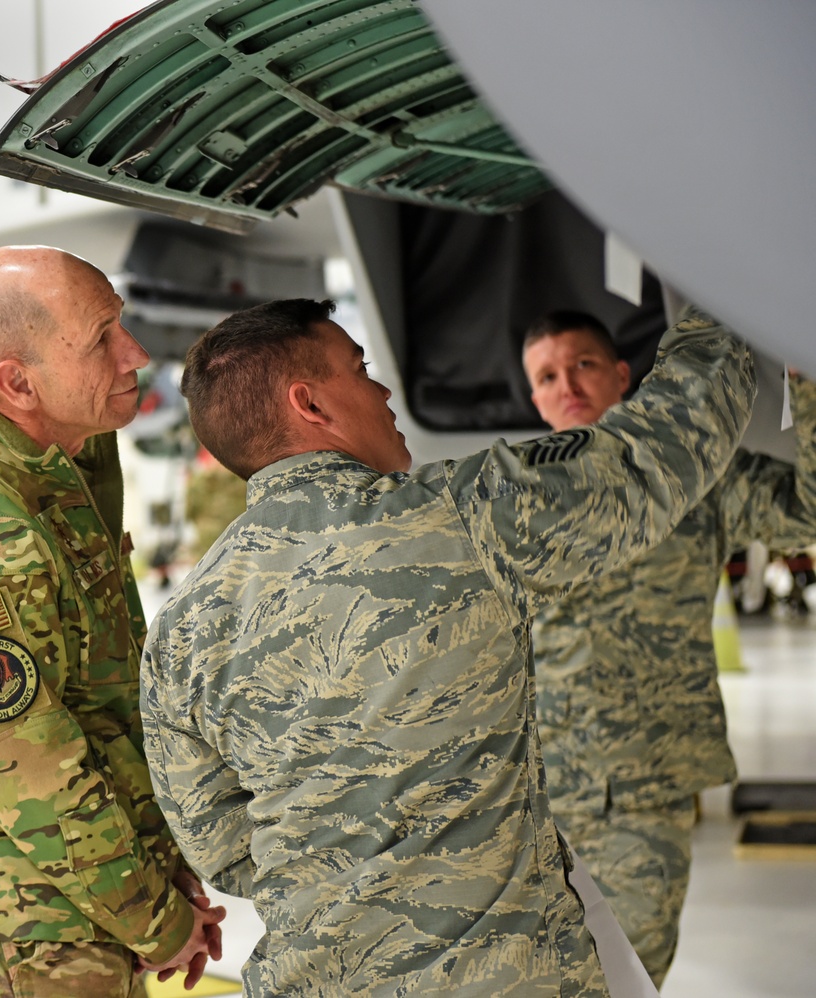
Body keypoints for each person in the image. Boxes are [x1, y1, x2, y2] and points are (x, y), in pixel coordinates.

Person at [140, 297, 755, 996]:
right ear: (309, 403)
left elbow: (218, 842)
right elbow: (652, 459)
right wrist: (718, 302)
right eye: (360, 369)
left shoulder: (180, 630)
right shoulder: (461, 515)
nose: (380, 390)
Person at [0, 246, 224, 997]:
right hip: (18, 943)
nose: (134, 353)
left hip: (75, 919)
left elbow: (101, 708)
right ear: (16, 383)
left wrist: (162, 877)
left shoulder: (62, 466)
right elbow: (27, 763)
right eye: (101, 337)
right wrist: (153, 916)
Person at [521, 308, 816, 986]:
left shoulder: (692, 476)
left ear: (622, 374)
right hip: (539, 793)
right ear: (533, 397)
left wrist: (806, 386)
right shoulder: (517, 494)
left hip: (645, 786)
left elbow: (808, 512)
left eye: (583, 364)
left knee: (633, 972)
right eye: (547, 376)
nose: (566, 384)